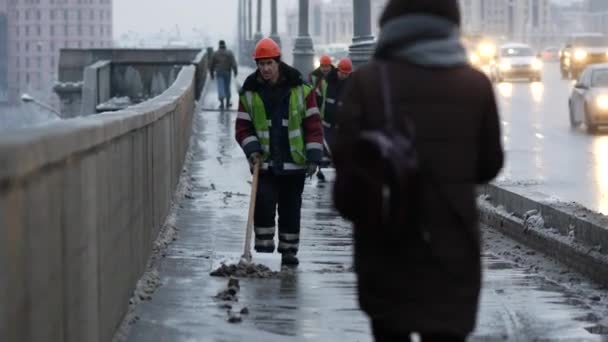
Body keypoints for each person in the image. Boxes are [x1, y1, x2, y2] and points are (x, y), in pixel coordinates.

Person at [332, 1, 504, 341]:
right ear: (451, 25)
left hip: (385, 248)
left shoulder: (367, 83)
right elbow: (488, 166)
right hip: (452, 250)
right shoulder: (476, 84)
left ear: (391, 26)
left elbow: (346, 167)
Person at [235, 38, 324, 266]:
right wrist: (252, 150)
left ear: (278, 63)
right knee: (264, 201)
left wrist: (314, 156)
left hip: (294, 163)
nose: (265, 69)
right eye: (261, 64)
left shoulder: (301, 90)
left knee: (290, 207)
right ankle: (264, 243)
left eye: (269, 63)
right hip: (264, 162)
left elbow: (313, 125)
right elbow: (243, 127)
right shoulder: (249, 92)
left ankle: (289, 250)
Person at [316, 57, 353, 182]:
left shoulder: (352, 85)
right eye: (342, 72)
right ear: (338, 70)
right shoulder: (326, 83)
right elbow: (318, 100)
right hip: (326, 123)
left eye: (346, 74)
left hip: (342, 126)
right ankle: (322, 170)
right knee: (325, 150)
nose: (343, 75)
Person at [210, 40, 238, 109]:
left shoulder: (215, 53)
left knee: (220, 87)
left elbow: (211, 64)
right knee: (227, 87)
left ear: (219, 45)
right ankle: (228, 103)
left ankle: (222, 103)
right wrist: (235, 71)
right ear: (225, 45)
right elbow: (233, 63)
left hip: (219, 72)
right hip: (227, 72)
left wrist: (212, 74)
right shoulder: (229, 53)